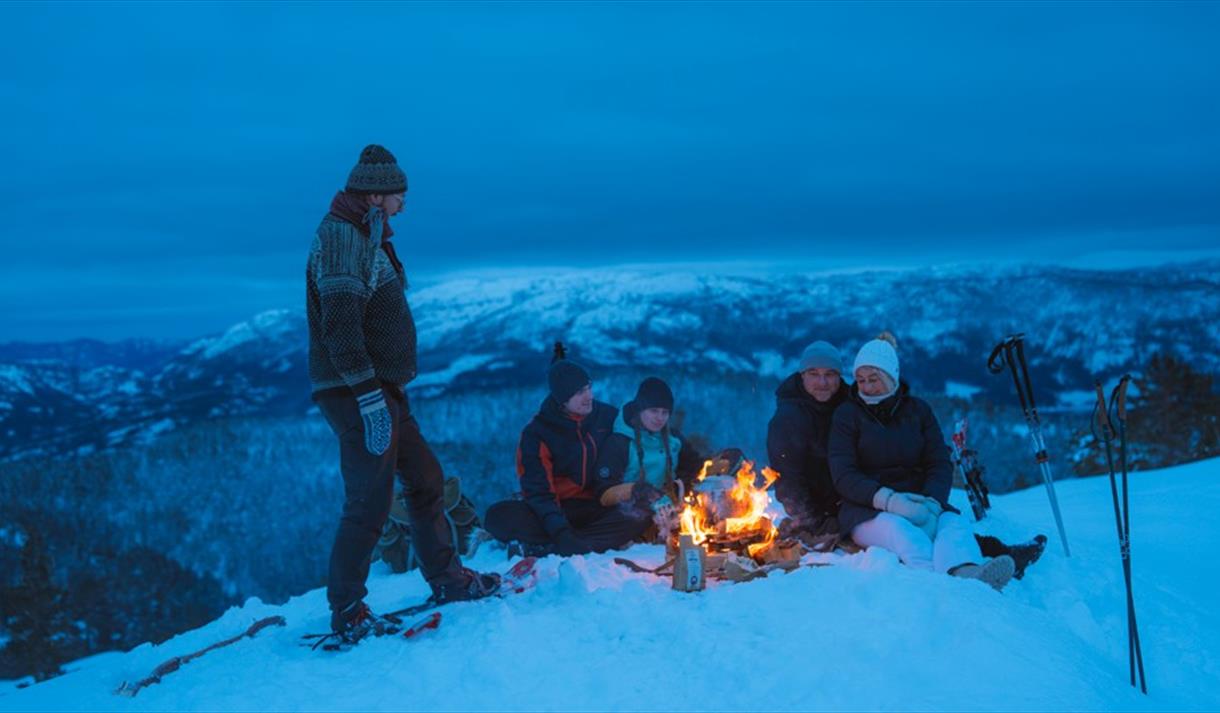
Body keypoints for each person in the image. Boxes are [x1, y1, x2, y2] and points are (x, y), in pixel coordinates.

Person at [307, 144, 499, 644]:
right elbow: (340, 327)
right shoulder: (341, 237)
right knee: (369, 501)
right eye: (398, 195)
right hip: (358, 393)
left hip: (382, 390)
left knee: (425, 478)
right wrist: (368, 395)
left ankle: (447, 578)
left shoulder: (365, 234)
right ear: (376, 194)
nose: (403, 205)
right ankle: (347, 608)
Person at [829, 333, 1018, 590]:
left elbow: (939, 461)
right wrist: (890, 500)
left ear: (891, 377)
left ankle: (968, 573)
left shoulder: (917, 411)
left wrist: (932, 502)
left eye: (874, 379)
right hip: (866, 510)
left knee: (953, 524)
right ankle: (938, 587)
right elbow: (844, 474)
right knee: (904, 534)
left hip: (921, 501)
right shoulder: (847, 415)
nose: (867, 387)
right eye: (861, 380)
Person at [484, 349, 651, 555]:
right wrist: (560, 531)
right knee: (498, 517)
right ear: (562, 399)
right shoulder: (537, 433)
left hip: (597, 504)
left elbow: (646, 432)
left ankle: (557, 546)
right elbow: (539, 492)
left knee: (641, 513)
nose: (588, 396)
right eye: (579, 392)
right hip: (556, 509)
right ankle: (581, 542)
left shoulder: (607, 416)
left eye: (589, 388)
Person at [594, 377, 705, 536]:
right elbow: (603, 493)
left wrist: (719, 466)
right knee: (637, 519)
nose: (659, 417)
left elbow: (695, 467)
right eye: (653, 411)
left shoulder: (673, 439)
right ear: (640, 409)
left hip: (668, 512)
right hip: (628, 515)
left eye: (664, 412)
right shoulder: (620, 442)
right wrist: (638, 491)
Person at [767, 341, 850, 542]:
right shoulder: (789, 417)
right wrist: (815, 523)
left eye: (830, 374)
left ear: (839, 377)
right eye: (814, 374)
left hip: (853, 506)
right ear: (802, 376)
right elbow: (788, 479)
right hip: (817, 515)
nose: (822, 382)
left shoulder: (851, 407)